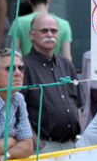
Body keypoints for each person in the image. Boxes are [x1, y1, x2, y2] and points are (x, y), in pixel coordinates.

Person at [21, 13, 82, 151]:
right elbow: (18, 109)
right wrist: (36, 142)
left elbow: (78, 103)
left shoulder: (67, 65)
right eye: (44, 30)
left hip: (71, 145)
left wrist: (78, 136)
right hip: (44, 147)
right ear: (32, 35)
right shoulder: (23, 67)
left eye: (53, 30)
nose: (50, 34)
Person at [7, 0, 73, 62]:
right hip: (55, 72)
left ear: (30, 1)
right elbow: (67, 57)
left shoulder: (19, 22)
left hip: (28, 71)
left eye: (53, 31)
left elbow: (12, 55)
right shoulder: (64, 24)